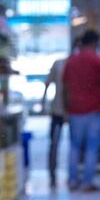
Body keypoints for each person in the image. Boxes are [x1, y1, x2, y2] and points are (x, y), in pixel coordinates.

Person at [62, 29, 100, 192]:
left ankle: (72, 181)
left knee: (74, 146)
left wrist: (66, 108)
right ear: (94, 42)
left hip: (75, 110)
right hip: (95, 109)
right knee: (92, 147)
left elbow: (65, 87)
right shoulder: (98, 60)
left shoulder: (71, 61)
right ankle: (86, 182)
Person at [41, 56, 67, 188]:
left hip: (70, 110)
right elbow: (47, 83)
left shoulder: (67, 63)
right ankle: (52, 175)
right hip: (59, 110)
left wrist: (43, 101)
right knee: (54, 144)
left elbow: (47, 83)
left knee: (56, 145)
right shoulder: (59, 64)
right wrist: (43, 101)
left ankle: (71, 177)